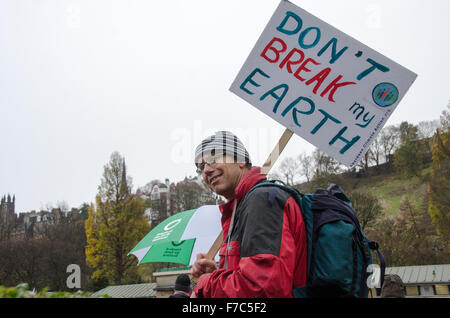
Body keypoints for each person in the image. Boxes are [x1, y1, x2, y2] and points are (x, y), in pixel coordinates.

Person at [190, 131, 307, 298]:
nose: (206, 170)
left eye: (213, 160)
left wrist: (206, 283)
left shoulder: (262, 200)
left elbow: (263, 288)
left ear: (240, 160)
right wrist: (218, 274)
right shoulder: (239, 210)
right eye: (201, 167)